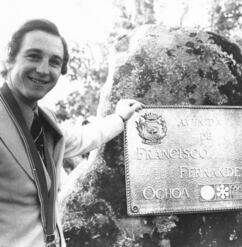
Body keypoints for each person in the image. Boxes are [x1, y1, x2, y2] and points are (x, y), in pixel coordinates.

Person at [0, 19, 143, 247]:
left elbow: (81, 138)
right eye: (34, 56)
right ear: (9, 58)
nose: (43, 70)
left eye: (54, 62)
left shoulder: (45, 120)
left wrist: (119, 118)